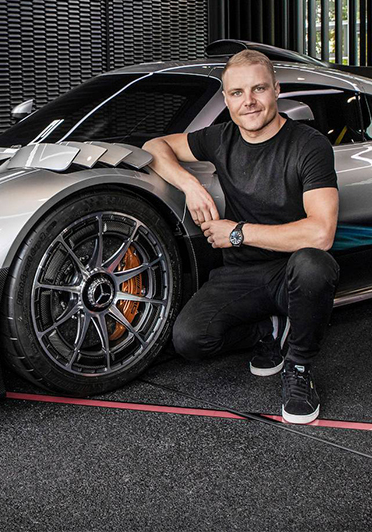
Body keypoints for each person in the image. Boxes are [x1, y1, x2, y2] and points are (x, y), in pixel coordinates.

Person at [142, 49, 340, 424]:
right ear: (226, 98)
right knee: (189, 339)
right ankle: (268, 329)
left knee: (315, 264)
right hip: (241, 274)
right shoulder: (220, 139)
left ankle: (298, 367)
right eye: (237, 93)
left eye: (258, 89)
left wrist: (236, 232)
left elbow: (321, 233)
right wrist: (189, 185)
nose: (248, 101)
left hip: (290, 271)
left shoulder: (308, 145)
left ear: (276, 90)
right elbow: (154, 146)